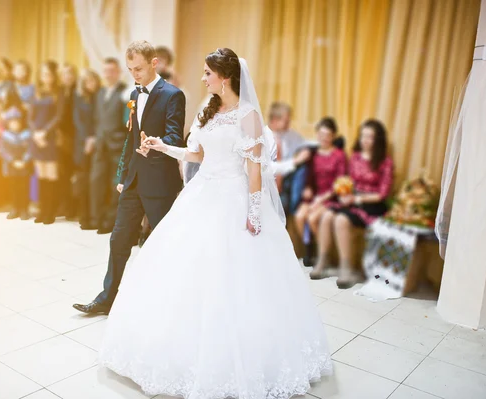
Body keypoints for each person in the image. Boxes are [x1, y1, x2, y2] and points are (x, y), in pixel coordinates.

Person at [97, 47, 332, 398]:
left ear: (225, 76)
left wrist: (254, 213)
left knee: (236, 280)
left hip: (234, 198)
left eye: (208, 73)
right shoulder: (208, 111)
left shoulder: (248, 116)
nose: (203, 78)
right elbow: (196, 154)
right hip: (202, 194)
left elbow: (254, 171)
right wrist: (162, 146)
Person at [73, 40, 185, 313]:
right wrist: (123, 175)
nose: (134, 75)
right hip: (134, 179)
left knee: (162, 243)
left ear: (154, 63)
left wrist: (155, 143)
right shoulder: (134, 96)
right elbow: (130, 138)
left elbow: (174, 136)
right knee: (119, 239)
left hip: (160, 182)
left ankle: (169, 301)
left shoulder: (173, 95)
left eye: (139, 69)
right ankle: (107, 298)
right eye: (130, 70)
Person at [311, 119, 393, 288]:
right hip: (352, 202)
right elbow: (348, 182)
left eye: (370, 137)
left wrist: (356, 199)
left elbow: (382, 194)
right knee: (327, 216)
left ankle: (346, 267)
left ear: (378, 140)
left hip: (372, 206)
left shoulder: (385, 161)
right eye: (363, 136)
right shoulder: (355, 157)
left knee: (340, 220)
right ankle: (323, 260)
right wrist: (344, 195)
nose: (365, 140)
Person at [88, 57, 130, 234]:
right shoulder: (99, 93)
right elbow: (97, 119)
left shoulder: (125, 93)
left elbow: (128, 120)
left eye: (112, 70)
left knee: (115, 185)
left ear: (119, 72)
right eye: (106, 71)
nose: (109, 74)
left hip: (117, 145)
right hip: (101, 145)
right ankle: (96, 217)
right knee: (96, 181)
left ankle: (110, 220)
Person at [294, 117, 347, 241]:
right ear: (317, 134)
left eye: (328, 135)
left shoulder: (339, 155)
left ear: (333, 136)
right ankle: (308, 250)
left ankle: (322, 251)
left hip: (331, 197)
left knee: (312, 219)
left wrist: (321, 199)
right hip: (314, 196)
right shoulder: (313, 153)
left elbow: (340, 183)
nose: (324, 138)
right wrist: (307, 188)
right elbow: (308, 175)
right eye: (321, 134)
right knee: (299, 217)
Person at [28, 60, 63, 225]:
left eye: (48, 74)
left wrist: (44, 133)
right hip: (36, 138)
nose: (45, 77)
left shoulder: (59, 92)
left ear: (53, 76)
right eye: (42, 74)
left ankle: (51, 211)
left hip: (50, 138)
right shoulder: (36, 92)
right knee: (41, 175)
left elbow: (59, 116)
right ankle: (42, 210)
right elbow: (30, 117)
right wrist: (36, 133)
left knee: (51, 176)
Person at [73, 68, 100, 229]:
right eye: (87, 81)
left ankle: (93, 215)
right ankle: (83, 216)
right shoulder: (79, 98)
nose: (91, 84)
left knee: (95, 182)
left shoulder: (101, 96)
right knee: (83, 181)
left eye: (93, 80)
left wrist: (94, 138)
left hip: (97, 143)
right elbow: (78, 122)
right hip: (81, 145)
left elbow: (101, 120)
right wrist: (87, 140)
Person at [0, 107, 32, 220]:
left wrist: (24, 161)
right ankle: (15, 208)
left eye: (17, 121)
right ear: (8, 123)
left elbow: (30, 149)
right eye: (12, 122)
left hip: (24, 166)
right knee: (14, 188)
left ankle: (24, 209)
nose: (15, 124)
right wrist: (13, 161)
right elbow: (3, 150)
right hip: (12, 166)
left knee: (24, 188)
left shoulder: (27, 134)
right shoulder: (5, 135)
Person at [58, 63, 78, 219]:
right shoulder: (58, 92)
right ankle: (63, 206)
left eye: (70, 73)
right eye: (65, 74)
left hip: (75, 138)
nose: (68, 77)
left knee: (73, 173)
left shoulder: (77, 91)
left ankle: (73, 208)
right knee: (61, 174)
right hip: (59, 137)